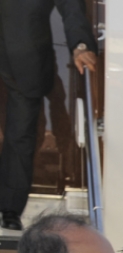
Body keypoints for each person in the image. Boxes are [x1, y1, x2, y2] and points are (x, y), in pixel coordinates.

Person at [0, 0, 98, 231]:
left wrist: (81, 45)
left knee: (21, 133)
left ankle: (10, 208)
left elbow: (71, 7)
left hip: (25, 56)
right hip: (20, 54)